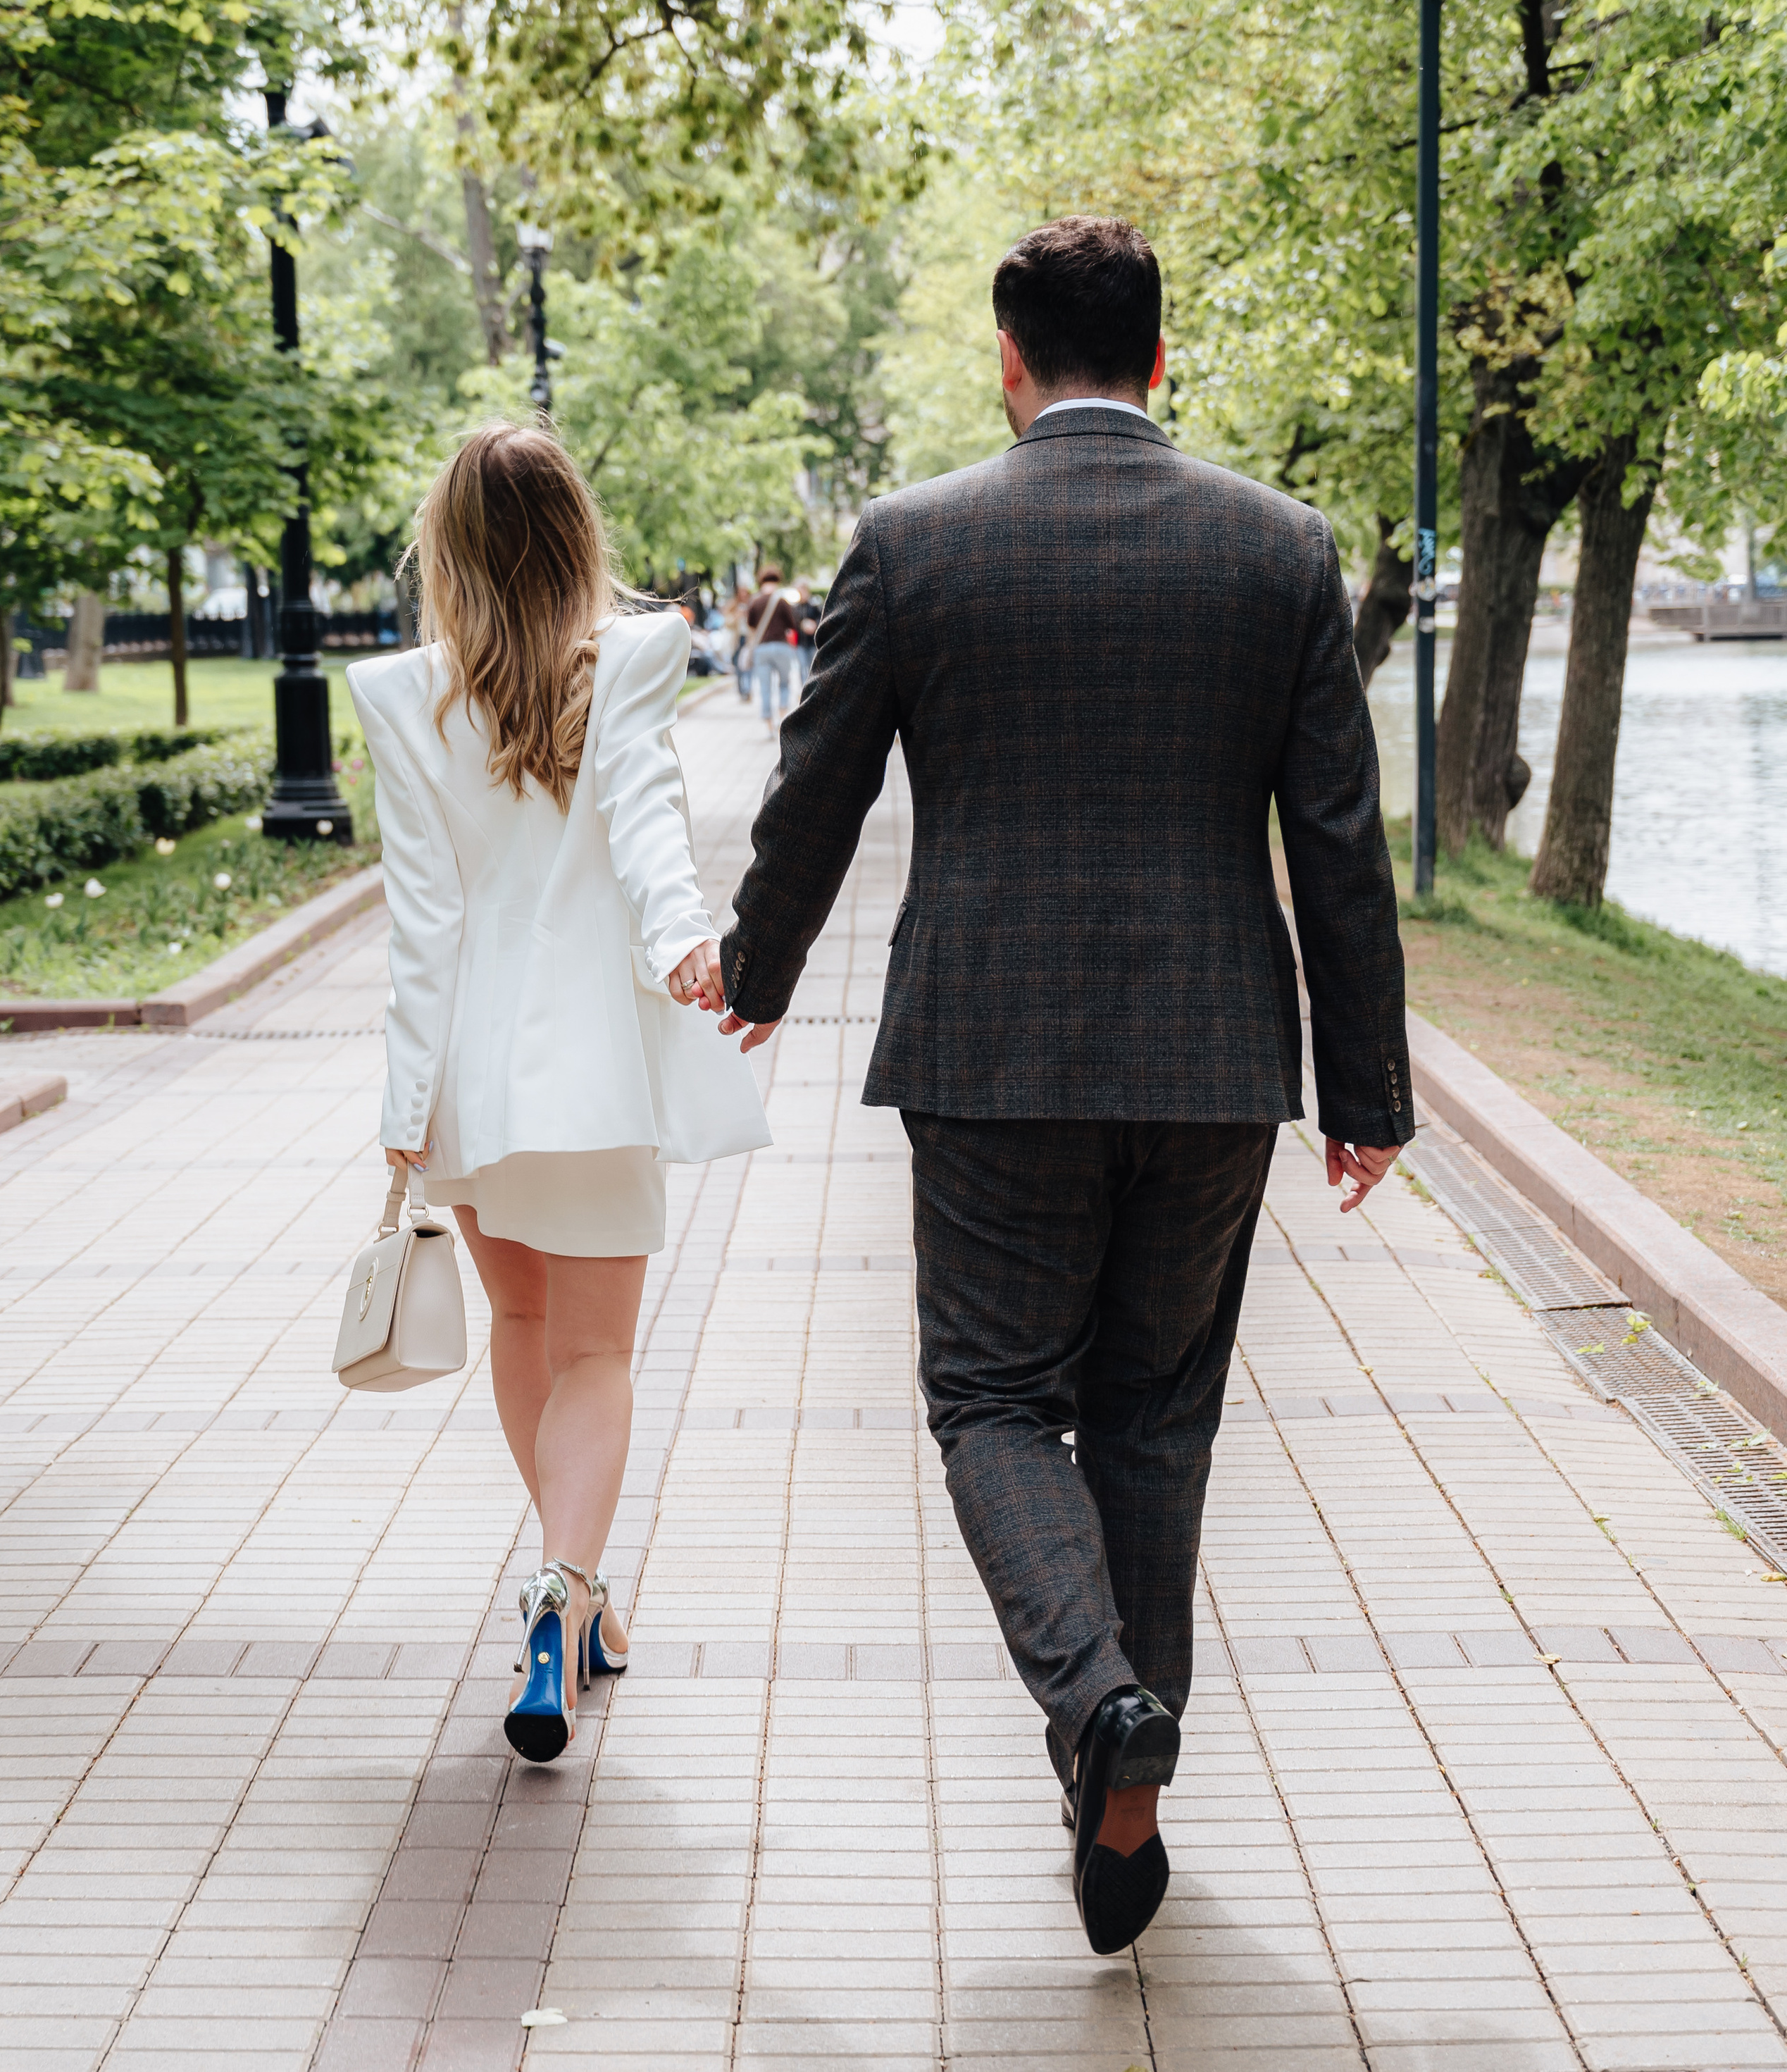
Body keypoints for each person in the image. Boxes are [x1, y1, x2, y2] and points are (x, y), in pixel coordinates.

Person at [702, 216, 1411, 1955]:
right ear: (1158, 361)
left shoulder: (915, 540)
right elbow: (1335, 835)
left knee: (995, 1403)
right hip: (1210, 1056)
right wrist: (1364, 1088)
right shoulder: (1276, 550)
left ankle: (1098, 1702)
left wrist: (758, 965)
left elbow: (819, 783)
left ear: (1007, 362)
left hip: (991, 1054)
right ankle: (1127, 1797)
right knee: (1155, 1415)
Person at [349, 421, 768, 1766]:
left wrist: (406, 1111)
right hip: (593, 1079)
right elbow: (648, 830)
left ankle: (568, 1587)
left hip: (474, 1086)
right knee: (596, 1351)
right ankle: (567, 1588)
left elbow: (423, 924)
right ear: (580, 536)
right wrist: (683, 946)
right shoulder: (635, 660)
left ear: (447, 551)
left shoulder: (401, 695)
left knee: (523, 1322)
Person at [745, 566, 801, 731]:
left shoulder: (755, 602)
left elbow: (751, 624)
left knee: (765, 687)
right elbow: (792, 624)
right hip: (781, 647)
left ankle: (769, 726)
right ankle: (783, 717)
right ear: (777, 581)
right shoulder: (781, 601)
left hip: (762, 649)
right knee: (784, 683)